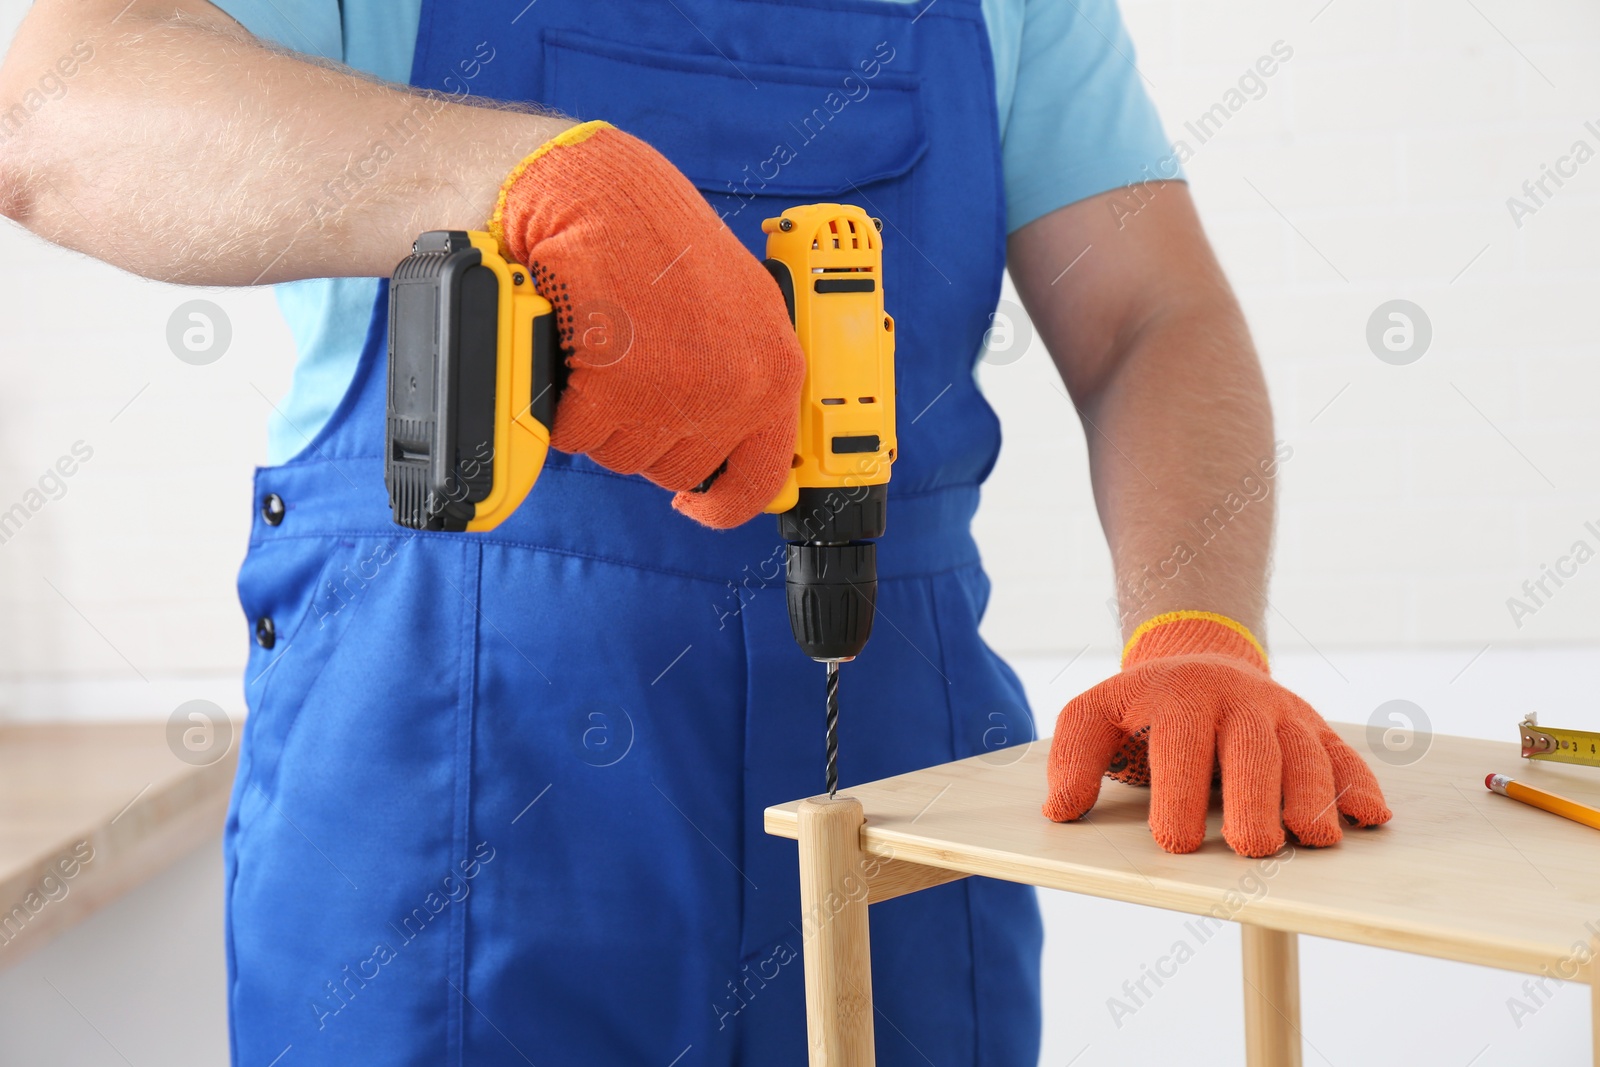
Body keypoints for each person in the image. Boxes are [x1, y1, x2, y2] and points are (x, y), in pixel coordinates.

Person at [0, 0, 1391, 1063]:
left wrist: (1195, 626)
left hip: (897, 807)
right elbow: (55, 112)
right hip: (437, 801)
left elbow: (1154, 315)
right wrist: (522, 177)